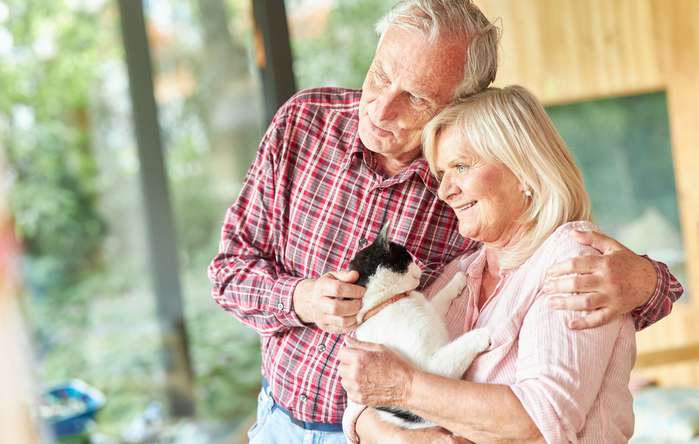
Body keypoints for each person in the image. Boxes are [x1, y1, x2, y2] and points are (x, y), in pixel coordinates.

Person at [208, 1, 683, 442]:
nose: (380, 108)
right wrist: (299, 299)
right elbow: (227, 271)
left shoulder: (477, 202)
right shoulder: (305, 122)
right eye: (379, 75)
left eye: (414, 98)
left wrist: (646, 281)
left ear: (461, 101)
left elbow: (564, 286)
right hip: (283, 419)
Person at [339, 85, 639, 443]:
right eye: (441, 174)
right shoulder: (461, 273)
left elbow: (539, 419)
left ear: (524, 167)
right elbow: (362, 400)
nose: (444, 191)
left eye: (461, 166)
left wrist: (404, 389)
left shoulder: (574, 260)